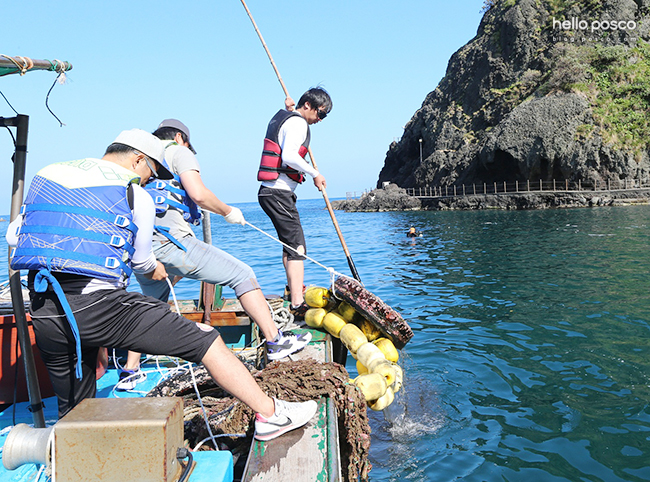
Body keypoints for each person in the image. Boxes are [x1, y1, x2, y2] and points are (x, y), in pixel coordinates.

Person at [6, 128, 316, 440]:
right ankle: (271, 415)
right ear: (137, 159)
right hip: (99, 308)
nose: (149, 180)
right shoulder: (135, 194)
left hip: (46, 311)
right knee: (205, 339)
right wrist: (155, 269)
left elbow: (13, 235)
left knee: (74, 410)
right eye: (150, 172)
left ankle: (73, 456)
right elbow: (142, 262)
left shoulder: (47, 175)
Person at [122, 119, 310, 388]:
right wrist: (227, 211)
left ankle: (130, 371)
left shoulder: (141, 160)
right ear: (179, 138)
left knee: (151, 303)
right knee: (242, 275)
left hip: (142, 248)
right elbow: (198, 194)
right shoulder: (177, 151)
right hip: (171, 242)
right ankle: (275, 341)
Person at [257, 87, 332, 315]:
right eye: (320, 113)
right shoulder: (298, 123)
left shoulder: (287, 117)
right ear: (308, 105)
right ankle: (298, 303)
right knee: (297, 247)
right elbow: (289, 155)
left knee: (289, 245)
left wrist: (289, 108)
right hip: (277, 192)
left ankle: (293, 290)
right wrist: (315, 174)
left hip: (272, 193)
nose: (320, 119)